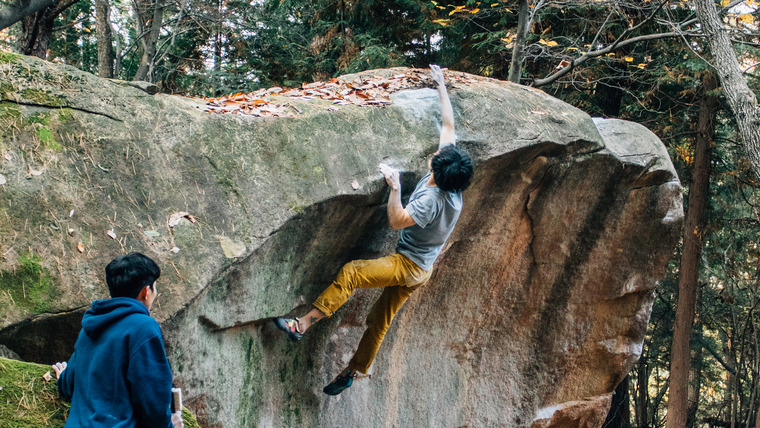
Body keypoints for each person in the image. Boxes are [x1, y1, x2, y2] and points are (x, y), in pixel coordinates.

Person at [274, 64, 474, 396]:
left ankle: (302, 324)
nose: (435, 153)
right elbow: (449, 127)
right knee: (380, 321)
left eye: (436, 158)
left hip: (408, 265)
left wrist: (395, 187)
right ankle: (356, 370)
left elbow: (397, 221)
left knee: (352, 273)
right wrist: (441, 84)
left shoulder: (433, 200)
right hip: (422, 270)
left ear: (438, 174)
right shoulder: (453, 181)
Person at [52, 252, 183, 428]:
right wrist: (170, 425)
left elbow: (68, 386)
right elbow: (151, 396)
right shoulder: (143, 327)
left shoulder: (90, 326)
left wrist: (63, 377)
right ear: (146, 292)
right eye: (155, 288)